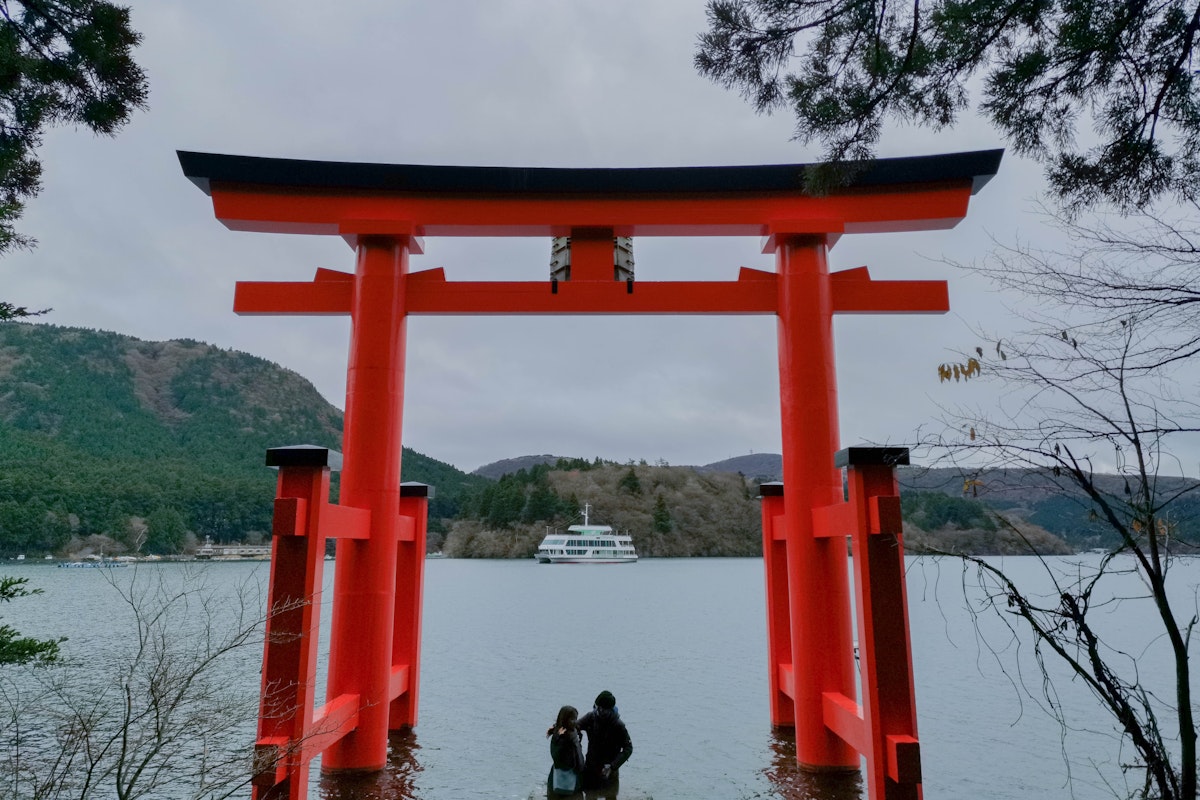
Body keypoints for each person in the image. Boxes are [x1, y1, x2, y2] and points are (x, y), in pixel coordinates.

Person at [577, 690, 632, 796]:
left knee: (610, 796)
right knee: (590, 795)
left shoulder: (618, 725)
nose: (599, 711)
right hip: (591, 767)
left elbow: (628, 748)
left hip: (610, 770)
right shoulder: (591, 717)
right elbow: (575, 726)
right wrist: (559, 727)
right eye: (597, 708)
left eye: (602, 708)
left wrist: (612, 766)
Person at [546, 704, 585, 797]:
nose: (575, 722)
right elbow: (557, 756)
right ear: (564, 720)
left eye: (576, 719)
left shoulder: (566, 733)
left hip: (557, 777)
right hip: (569, 779)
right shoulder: (562, 737)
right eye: (572, 719)